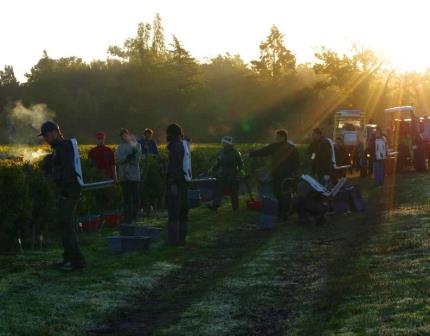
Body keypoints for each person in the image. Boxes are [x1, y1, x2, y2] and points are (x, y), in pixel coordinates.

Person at [38, 121, 86, 271]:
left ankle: (77, 262)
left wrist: (52, 174)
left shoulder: (63, 147)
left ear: (54, 133)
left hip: (69, 191)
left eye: (46, 135)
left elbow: (66, 170)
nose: (45, 139)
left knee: (66, 224)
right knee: (63, 224)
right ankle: (68, 258)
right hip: (66, 191)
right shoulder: (58, 148)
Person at [249, 129, 299, 221]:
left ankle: (282, 213)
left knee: (281, 193)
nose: (276, 138)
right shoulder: (289, 147)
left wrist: (251, 153)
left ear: (283, 137)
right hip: (282, 174)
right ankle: (283, 213)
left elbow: (263, 152)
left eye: (278, 137)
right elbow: (264, 151)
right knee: (283, 193)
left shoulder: (280, 147)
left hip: (282, 174)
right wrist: (252, 153)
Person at [166, 123, 189, 245]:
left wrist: (172, 182)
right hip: (183, 182)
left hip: (176, 183)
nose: (166, 136)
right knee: (182, 212)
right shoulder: (183, 145)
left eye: (168, 133)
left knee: (174, 212)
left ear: (172, 134)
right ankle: (181, 238)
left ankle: (174, 239)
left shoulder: (175, 147)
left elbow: (175, 167)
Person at [115, 129, 142, 224]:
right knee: (126, 199)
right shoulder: (119, 147)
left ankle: (134, 215)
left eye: (125, 135)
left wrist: (127, 159)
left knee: (135, 198)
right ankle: (127, 217)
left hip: (134, 175)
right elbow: (117, 159)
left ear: (128, 135)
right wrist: (126, 158)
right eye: (122, 136)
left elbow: (137, 158)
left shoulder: (136, 145)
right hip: (123, 176)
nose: (124, 137)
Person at [210, 136, 244, 211]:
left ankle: (235, 208)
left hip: (233, 175)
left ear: (227, 143)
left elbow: (241, 164)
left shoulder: (236, 152)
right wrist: (213, 169)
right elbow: (218, 162)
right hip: (222, 174)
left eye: (224, 143)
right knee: (219, 190)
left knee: (234, 192)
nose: (222, 144)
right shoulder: (221, 151)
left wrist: (237, 172)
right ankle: (215, 205)